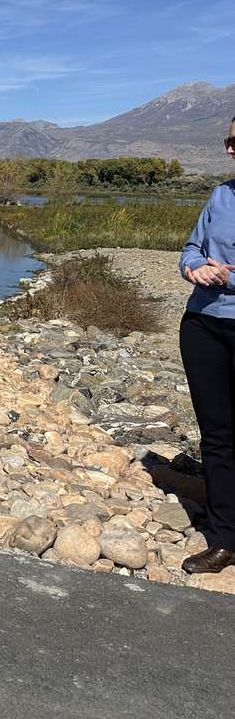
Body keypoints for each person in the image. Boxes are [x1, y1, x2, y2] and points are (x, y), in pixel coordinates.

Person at [178, 117, 235, 575]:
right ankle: (223, 538)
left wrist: (230, 274)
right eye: (229, 141)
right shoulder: (221, 194)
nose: (230, 150)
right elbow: (192, 246)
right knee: (217, 436)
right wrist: (194, 267)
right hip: (203, 324)